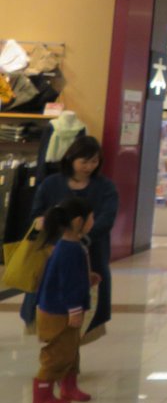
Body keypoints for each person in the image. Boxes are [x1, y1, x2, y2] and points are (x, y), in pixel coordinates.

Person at [20, 136, 118, 339]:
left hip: (92, 255)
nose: (89, 166)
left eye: (94, 161)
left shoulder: (105, 187)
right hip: (50, 254)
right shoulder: (51, 184)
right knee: (50, 299)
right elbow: (36, 215)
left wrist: (82, 239)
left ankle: (71, 356)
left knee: (86, 303)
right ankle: (57, 356)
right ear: (71, 158)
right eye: (84, 161)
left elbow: (106, 220)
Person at [31, 198, 97, 403]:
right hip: (60, 312)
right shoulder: (70, 250)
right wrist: (74, 310)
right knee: (57, 355)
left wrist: (88, 278)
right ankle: (41, 396)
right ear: (79, 221)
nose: (93, 221)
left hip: (59, 308)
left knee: (70, 350)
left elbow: (67, 278)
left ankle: (69, 386)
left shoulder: (67, 245)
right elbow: (67, 284)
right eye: (91, 217)